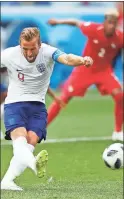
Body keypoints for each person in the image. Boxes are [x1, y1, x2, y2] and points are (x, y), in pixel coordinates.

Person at [1, 27, 93, 191]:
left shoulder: (48, 52)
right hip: (15, 104)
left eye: (33, 49)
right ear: (20, 45)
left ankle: (6, 181)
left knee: (30, 142)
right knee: (20, 141)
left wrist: (82, 60)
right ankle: (34, 164)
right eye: (25, 49)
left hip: (38, 107)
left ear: (40, 44)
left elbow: (66, 58)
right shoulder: (8, 55)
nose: (29, 53)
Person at [47, 9, 123, 141]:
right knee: (64, 98)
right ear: (105, 22)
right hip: (85, 69)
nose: (111, 26)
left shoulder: (120, 37)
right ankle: (41, 128)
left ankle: (118, 131)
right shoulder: (93, 29)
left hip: (104, 71)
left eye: (114, 23)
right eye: (109, 22)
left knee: (120, 94)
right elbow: (76, 22)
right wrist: (58, 22)